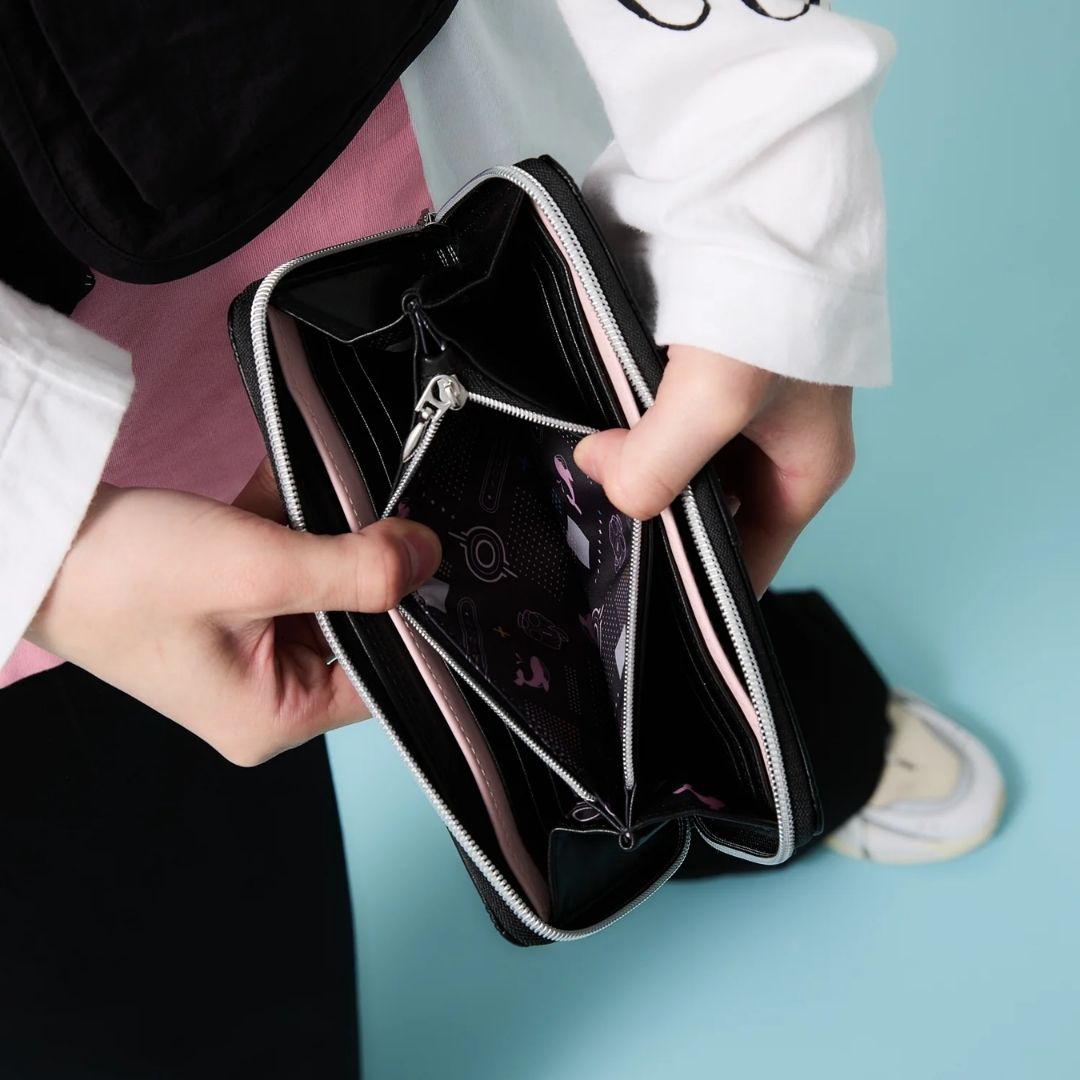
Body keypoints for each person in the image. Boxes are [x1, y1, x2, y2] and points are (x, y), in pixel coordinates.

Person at [0, 1, 1004, 1075]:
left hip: (383, 126)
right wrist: (42, 533)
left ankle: (679, 757)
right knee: (155, 913)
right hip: (80, 462)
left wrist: (755, 186)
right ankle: (622, 779)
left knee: (624, 528)